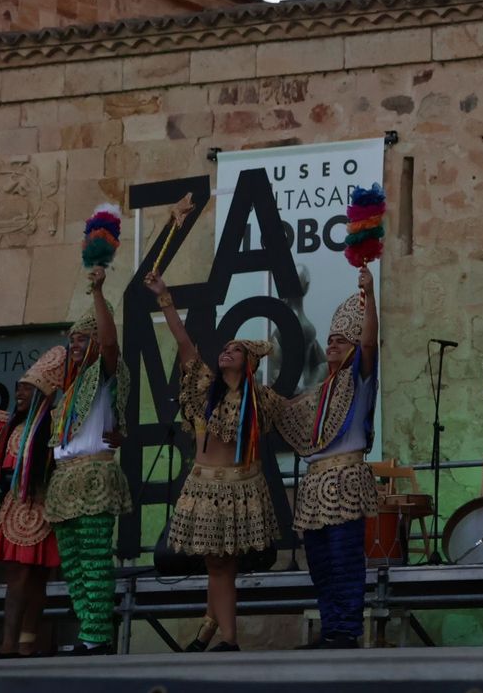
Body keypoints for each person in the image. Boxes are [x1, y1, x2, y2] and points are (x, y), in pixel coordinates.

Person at [151, 273, 280, 653]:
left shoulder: (261, 400)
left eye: (235, 350)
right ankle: (211, 631)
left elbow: (292, 412)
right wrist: (166, 299)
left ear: (248, 362)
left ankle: (227, 639)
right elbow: (184, 343)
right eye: (225, 349)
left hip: (240, 487)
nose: (225, 352)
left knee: (222, 566)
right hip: (205, 486)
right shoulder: (206, 389)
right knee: (216, 565)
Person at [259, 268, 380, 650]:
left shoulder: (358, 380)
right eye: (329, 340)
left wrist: (370, 295)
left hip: (345, 478)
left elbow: (371, 344)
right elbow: (284, 411)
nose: (331, 345)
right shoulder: (318, 392)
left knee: (345, 559)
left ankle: (345, 629)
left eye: (341, 341)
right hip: (315, 484)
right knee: (321, 564)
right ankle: (332, 629)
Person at [42, 266, 131, 656]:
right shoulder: (69, 389)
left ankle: (96, 637)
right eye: (73, 339)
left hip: (94, 473)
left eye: (83, 338)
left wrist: (98, 291)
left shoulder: (106, 374)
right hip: (64, 481)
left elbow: (111, 345)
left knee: (95, 561)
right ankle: (89, 630)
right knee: (74, 567)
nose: (74, 345)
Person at [0, 350, 62, 657]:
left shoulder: (59, 424)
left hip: (47, 509)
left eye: (26, 388)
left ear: (43, 394)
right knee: (17, 578)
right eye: (18, 387)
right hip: (15, 509)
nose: (18, 392)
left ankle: (27, 644)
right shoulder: (9, 425)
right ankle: (8, 643)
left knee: (38, 580)